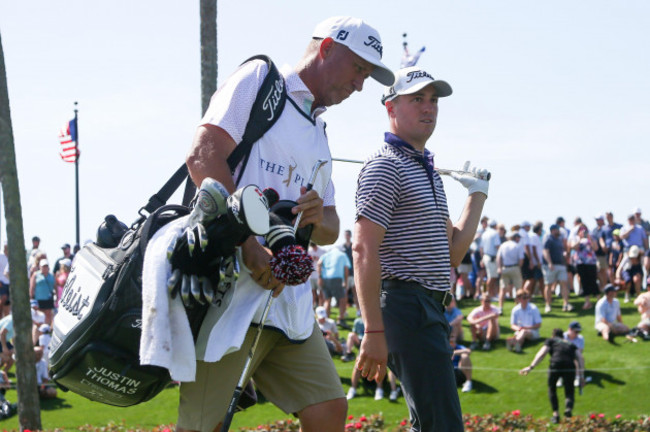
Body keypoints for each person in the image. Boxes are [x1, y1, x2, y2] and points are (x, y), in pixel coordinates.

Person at [178, 16, 394, 432]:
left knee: (329, 408)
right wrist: (248, 245)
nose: (360, 85)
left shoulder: (319, 132)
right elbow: (203, 157)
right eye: (358, 68)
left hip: (287, 305)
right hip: (229, 292)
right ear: (327, 48)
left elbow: (330, 228)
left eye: (367, 74)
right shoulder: (260, 79)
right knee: (202, 427)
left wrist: (318, 215)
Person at [354, 66, 489, 432]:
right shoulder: (386, 166)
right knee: (440, 424)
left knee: (433, 422)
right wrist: (373, 331)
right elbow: (363, 249)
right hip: (403, 304)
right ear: (391, 108)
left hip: (428, 306)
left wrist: (477, 195)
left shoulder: (427, 172)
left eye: (433, 100)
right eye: (417, 99)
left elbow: (453, 254)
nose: (428, 108)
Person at [519, 328, 584, 424]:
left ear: (553, 335)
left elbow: (542, 353)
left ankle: (556, 415)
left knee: (552, 389)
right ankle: (568, 409)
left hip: (555, 364)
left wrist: (531, 367)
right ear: (563, 336)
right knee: (569, 390)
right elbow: (580, 358)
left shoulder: (551, 341)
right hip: (569, 366)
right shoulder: (571, 344)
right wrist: (581, 376)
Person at [318, 246, 352, 328]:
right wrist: (346, 282)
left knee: (327, 300)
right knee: (342, 299)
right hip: (337, 278)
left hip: (325, 278)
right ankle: (341, 319)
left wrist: (320, 277)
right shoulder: (342, 255)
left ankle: (326, 320)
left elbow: (319, 264)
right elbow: (346, 268)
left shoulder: (326, 254)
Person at [570, 224, 599, 309]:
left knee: (593, 281)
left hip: (591, 262)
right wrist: (580, 239)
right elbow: (573, 247)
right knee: (584, 281)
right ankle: (587, 302)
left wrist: (589, 238)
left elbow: (596, 248)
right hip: (580, 262)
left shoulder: (591, 237)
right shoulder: (575, 238)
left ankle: (598, 300)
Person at [542, 224, 570, 313]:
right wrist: (550, 263)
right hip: (550, 265)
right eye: (557, 230)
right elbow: (545, 251)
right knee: (549, 285)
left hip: (560, 264)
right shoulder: (548, 238)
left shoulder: (559, 239)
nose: (558, 231)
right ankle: (548, 304)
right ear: (553, 230)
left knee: (564, 284)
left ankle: (565, 304)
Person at [496, 230, 524, 313]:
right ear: (515, 238)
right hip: (515, 267)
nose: (519, 239)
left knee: (503, 289)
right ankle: (518, 307)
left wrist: (499, 268)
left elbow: (498, 258)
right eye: (518, 237)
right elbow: (521, 259)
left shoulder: (503, 245)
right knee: (518, 288)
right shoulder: (517, 246)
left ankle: (500, 308)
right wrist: (519, 267)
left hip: (505, 268)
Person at [507, 289, 542, 353]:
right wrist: (520, 328)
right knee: (522, 333)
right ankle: (518, 346)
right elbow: (512, 325)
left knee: (523, 332)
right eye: (524, 298)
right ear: (519, 299)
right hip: (520, 330)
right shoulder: (515, 309)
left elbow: (538, 325)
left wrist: (526, 328)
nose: (526, 300)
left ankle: (513, 342)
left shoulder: (533, 308)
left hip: (533, 332)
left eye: (527, 297)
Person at [29, 259, 55, 325]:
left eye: (46, 266)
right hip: (38, 299)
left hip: (48, 298)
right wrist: (31, 297)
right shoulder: (36, 275)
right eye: (43, 266)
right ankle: (40, 328)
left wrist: (56, 295)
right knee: (39, 314)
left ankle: (47, 328)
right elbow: (32, 287)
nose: (45, 268)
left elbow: (55, 286)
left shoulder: (51, 275)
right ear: (40, 266)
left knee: (48, 314)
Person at [480, 220, 501, 299]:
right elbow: (497, 246)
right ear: (495, 225)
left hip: (486, 257)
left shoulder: (485, 233)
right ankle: (485, 294)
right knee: (492, 277)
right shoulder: (495, 233)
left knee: (491, 277)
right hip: (491, 258)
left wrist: (482, 259)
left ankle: (490, 295)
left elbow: (481, 248)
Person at [342, 230, 359, 315]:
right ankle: (344, 311)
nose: (347, 236)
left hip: (354, 273)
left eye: (348, 235)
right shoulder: (342, 247)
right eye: (346, 235)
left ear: (350, 236)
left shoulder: (354, 245)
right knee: (344, 293)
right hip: (345, 274)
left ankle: (358, 310)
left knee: (355, 292)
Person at [308, 242, 326, 307]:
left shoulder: (322, 251)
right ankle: (313, 307)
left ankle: (321, 307)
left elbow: (325, 262)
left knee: (321, 292)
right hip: (311, 276)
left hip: (320, 275)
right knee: (313, 293)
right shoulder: (309, 251)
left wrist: (318, 259)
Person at [0, 243, 10, 318]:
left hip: (10, 283)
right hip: (2, 282)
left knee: (8, 303)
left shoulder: (12, 257)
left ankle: (5, 319)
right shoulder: (1, 256)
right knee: (3, 298)